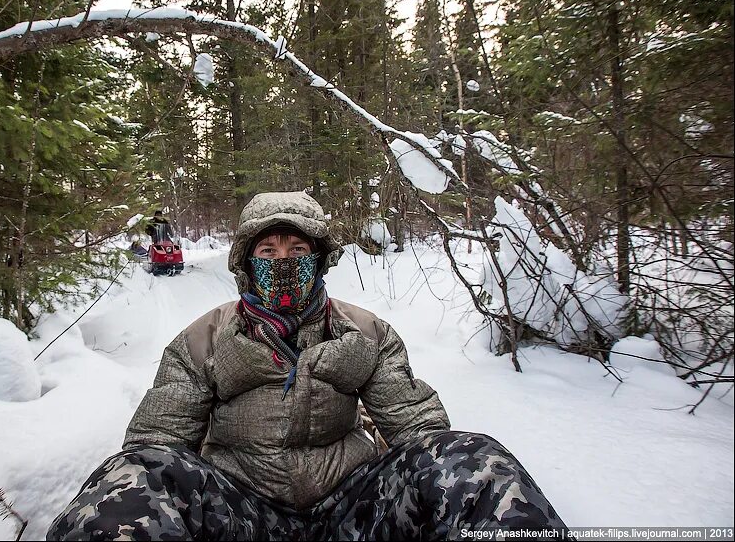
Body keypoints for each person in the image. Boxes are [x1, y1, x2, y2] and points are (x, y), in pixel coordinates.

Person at [48, 191, 570, 541]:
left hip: (353, 509)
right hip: (242, 513)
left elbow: (419, 432)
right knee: (135, 475)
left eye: (297, 249)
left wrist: (435, 477)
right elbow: (154, 445)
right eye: (268, 250)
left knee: (470, 458)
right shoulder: (202, 339)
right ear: (246, 263)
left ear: (320, 260)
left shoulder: (365, 333)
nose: (282, 260)